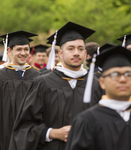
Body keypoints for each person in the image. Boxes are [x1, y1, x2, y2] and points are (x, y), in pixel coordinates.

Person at [9, 22, 103, 150]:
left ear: (86, 54)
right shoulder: (42, 84)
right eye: (70, 48)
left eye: (80, 49)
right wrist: (51, 133)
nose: (76, 53)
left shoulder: (97, 85)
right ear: (60, 54)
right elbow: (24, 127)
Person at [65, 45, 131, 150]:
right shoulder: (86, 121)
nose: (123, 79)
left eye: (128, 74)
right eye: (115, 74)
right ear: (102, 82)